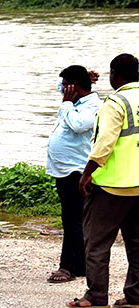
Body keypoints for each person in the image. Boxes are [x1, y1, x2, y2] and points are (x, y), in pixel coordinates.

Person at [69, 53, 139, 308]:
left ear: (115, 75)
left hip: (112, 185)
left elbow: (104, 145)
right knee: (136, 242)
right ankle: (136, 295)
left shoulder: (116, 101)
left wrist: (87, 174)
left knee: (97, 242)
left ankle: (96, 296)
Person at [46, 65, 101, 284]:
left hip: (77, 171)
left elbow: (80, 125)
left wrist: (66, 104)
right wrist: (69, 103)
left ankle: (68, 267)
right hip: (65, 171)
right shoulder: (77, 103)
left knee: (73, 221)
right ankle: (80, 265)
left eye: (64, 86)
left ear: (74, 87)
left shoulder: (93, 105)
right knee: (73, 219)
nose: (61, 90)